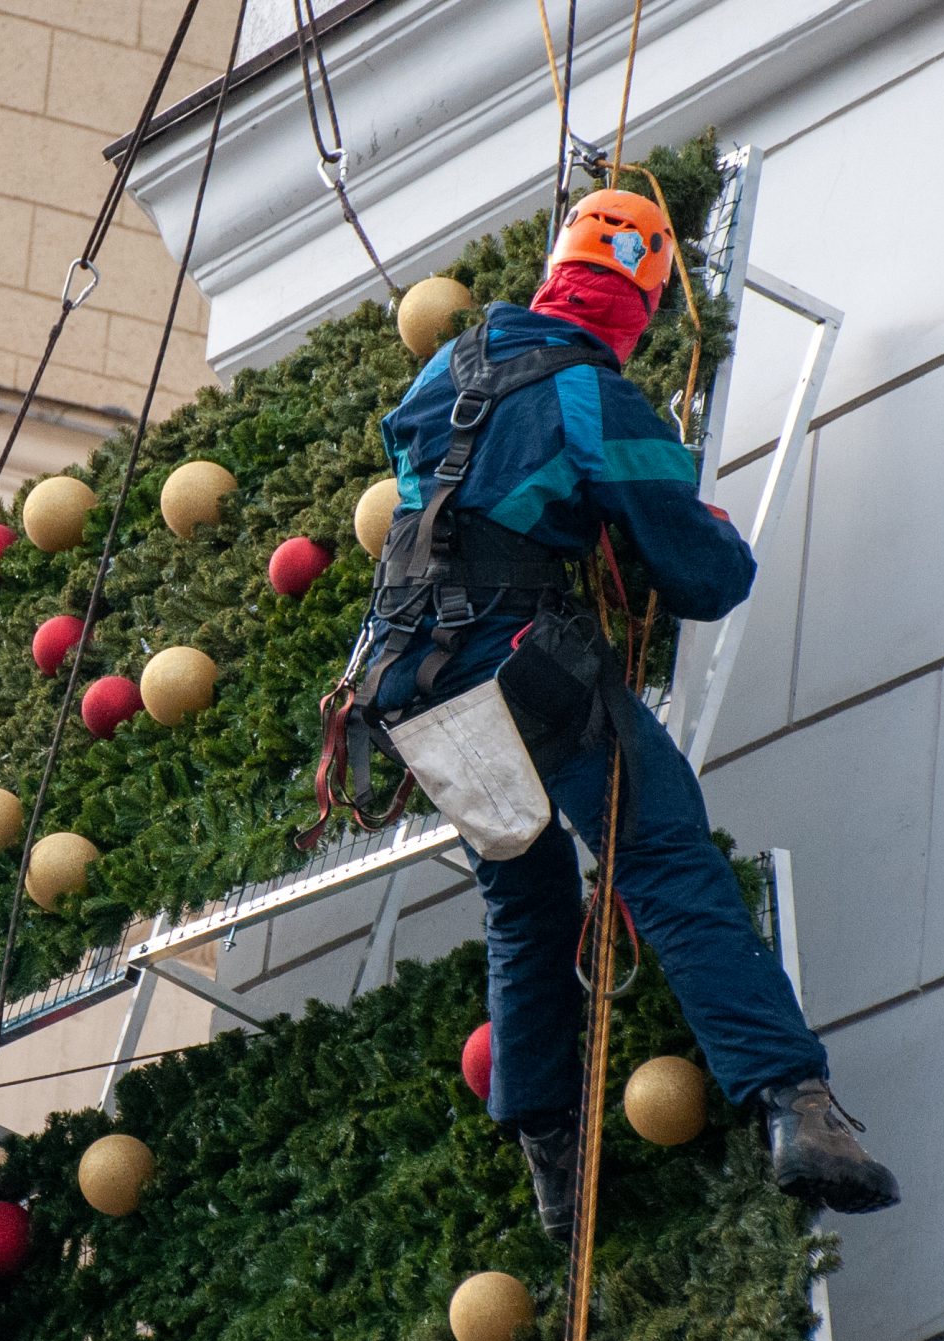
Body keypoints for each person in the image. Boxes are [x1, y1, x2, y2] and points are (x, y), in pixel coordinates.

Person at [354, 188, 900, 1239]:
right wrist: (704, 524)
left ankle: (551, 1166)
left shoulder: (445, 372)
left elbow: (451, 494)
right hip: (524, 669)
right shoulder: (590, 393)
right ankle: (796, 1105)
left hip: (412, 685)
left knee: (524, 901)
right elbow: (701, 572)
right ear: (636, 306)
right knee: (661, 861)